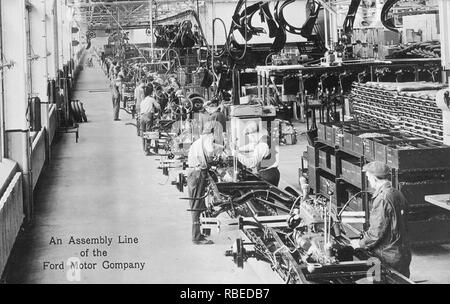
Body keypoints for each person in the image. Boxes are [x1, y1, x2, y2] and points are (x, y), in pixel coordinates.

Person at [351, 161, 412, 278]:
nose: (368, 180)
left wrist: (359, 244)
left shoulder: (382, 199)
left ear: (374, 178)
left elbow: (375, 233)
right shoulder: (397, 193)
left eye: (368, 177)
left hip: (388, 255)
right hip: (402, 252)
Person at [187, 121, 225, 245]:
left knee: (197, 204)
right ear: (212, 132)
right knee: (196, 206)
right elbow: (209, 152)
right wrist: (221, 151)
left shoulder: (199, 141)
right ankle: (196, 238)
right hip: (198, 174)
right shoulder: (208, 139)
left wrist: (219, 147)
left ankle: (198, 233)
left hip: (194, 173)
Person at [234, 121, 280, 186]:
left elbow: (252, 163)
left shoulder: (262, 145)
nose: (250, 139)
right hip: (272, 173)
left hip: (267, 175)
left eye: (248, 137)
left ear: (252, 135)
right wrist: (238, 149)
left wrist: (237, 154)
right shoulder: (265, 138)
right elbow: (252, 145)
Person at [139, 84, 160, 155]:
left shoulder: (143, 100)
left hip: (141, 117)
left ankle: (144, 149)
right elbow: (158, 106)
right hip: (148, 116)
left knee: (143, 134)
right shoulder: (151, 99)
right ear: (151, 92)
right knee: (148, 134)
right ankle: (147, 150)